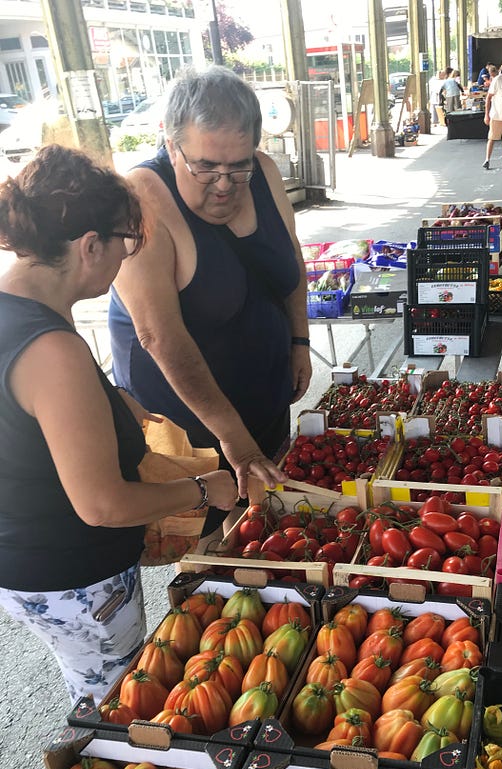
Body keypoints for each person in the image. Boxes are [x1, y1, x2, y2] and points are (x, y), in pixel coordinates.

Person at [0, 145, 238, 702]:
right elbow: (100, 505)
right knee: (118, 697)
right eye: (126, 243)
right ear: (90, 246)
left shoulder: (17, 309)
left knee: (96, 680)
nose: (127, 259)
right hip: (71, 570)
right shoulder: (52, 349)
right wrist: (204, 487)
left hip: (25, 558)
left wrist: (110, 404)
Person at [108, 66, 305, 526]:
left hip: (264, 398)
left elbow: (291, 260)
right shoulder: (139, 199)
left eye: (238, 166)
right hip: (190, 428)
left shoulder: (266, 172)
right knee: (208, 549)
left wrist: (299, 342)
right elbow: (159, 336)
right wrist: (232, 438)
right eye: (206, 166)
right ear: (171, 144)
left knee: (271, 528)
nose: (224, 183)